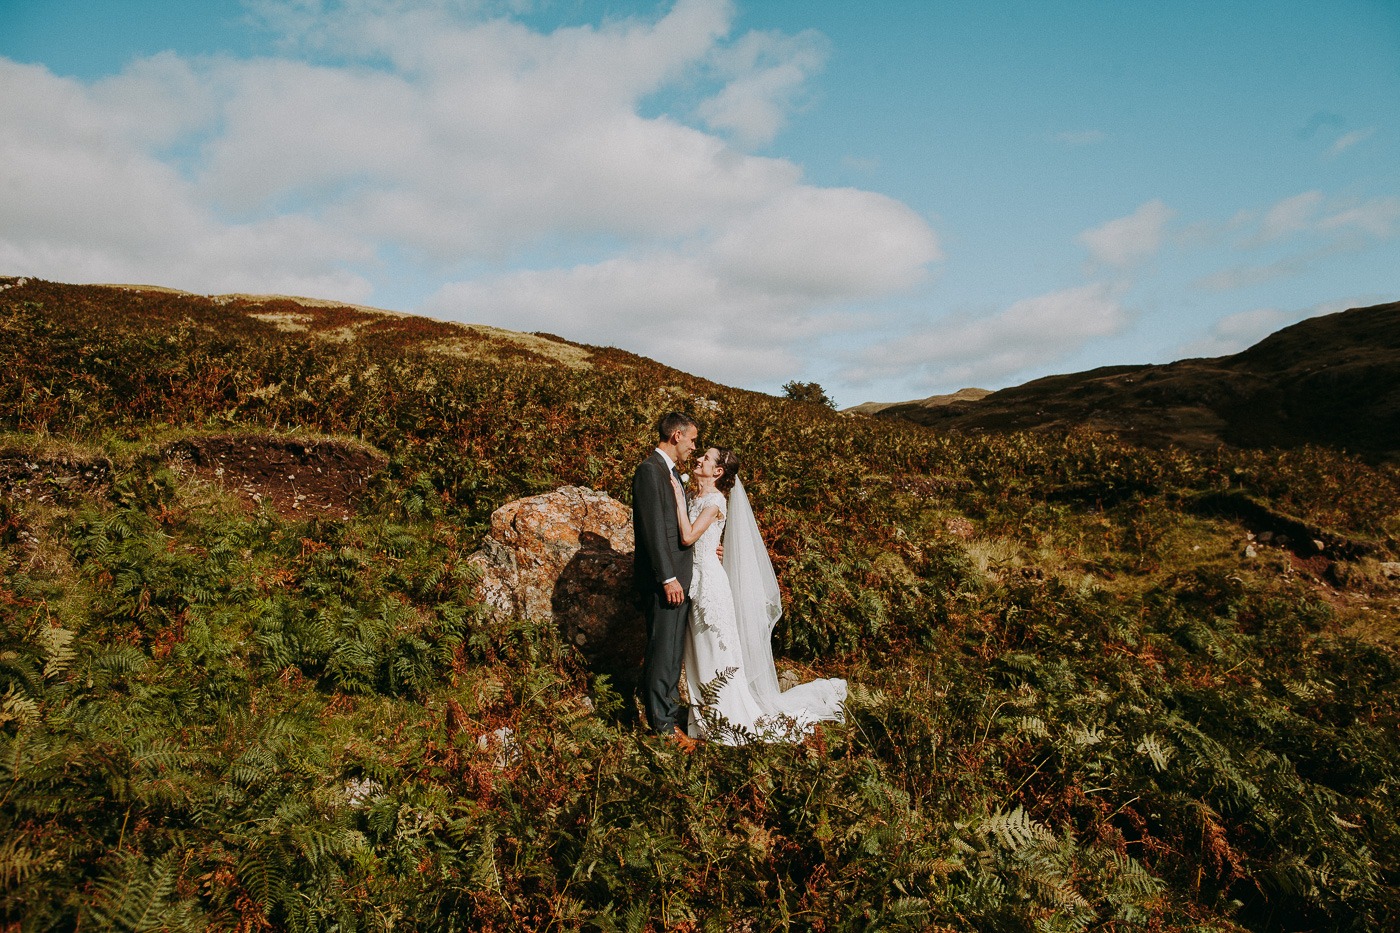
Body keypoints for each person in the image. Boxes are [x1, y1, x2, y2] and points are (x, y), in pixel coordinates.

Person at [670, 446, 846, 744]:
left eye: (707, 458)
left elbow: (687, 536)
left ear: (718, 471)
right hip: (695, 581)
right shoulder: (694, 497)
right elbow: (697, 539)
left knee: (715, 652)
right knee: (697, 653)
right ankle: (703, 722)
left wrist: (675, 497)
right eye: (701, 455)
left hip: (710, 587)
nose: (699, 458)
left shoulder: (715, 501)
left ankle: (727, 720)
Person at [631, 412, 699, 742]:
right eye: (692, 439)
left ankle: (669, 718)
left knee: (673, 652)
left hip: (681, 578)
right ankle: (661, 726)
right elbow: (653, 530)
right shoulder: (649, 471)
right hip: (667, 582)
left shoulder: (669, 473)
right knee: (662, 652)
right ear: (676, 436)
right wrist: (667, 577)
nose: (694, 447)